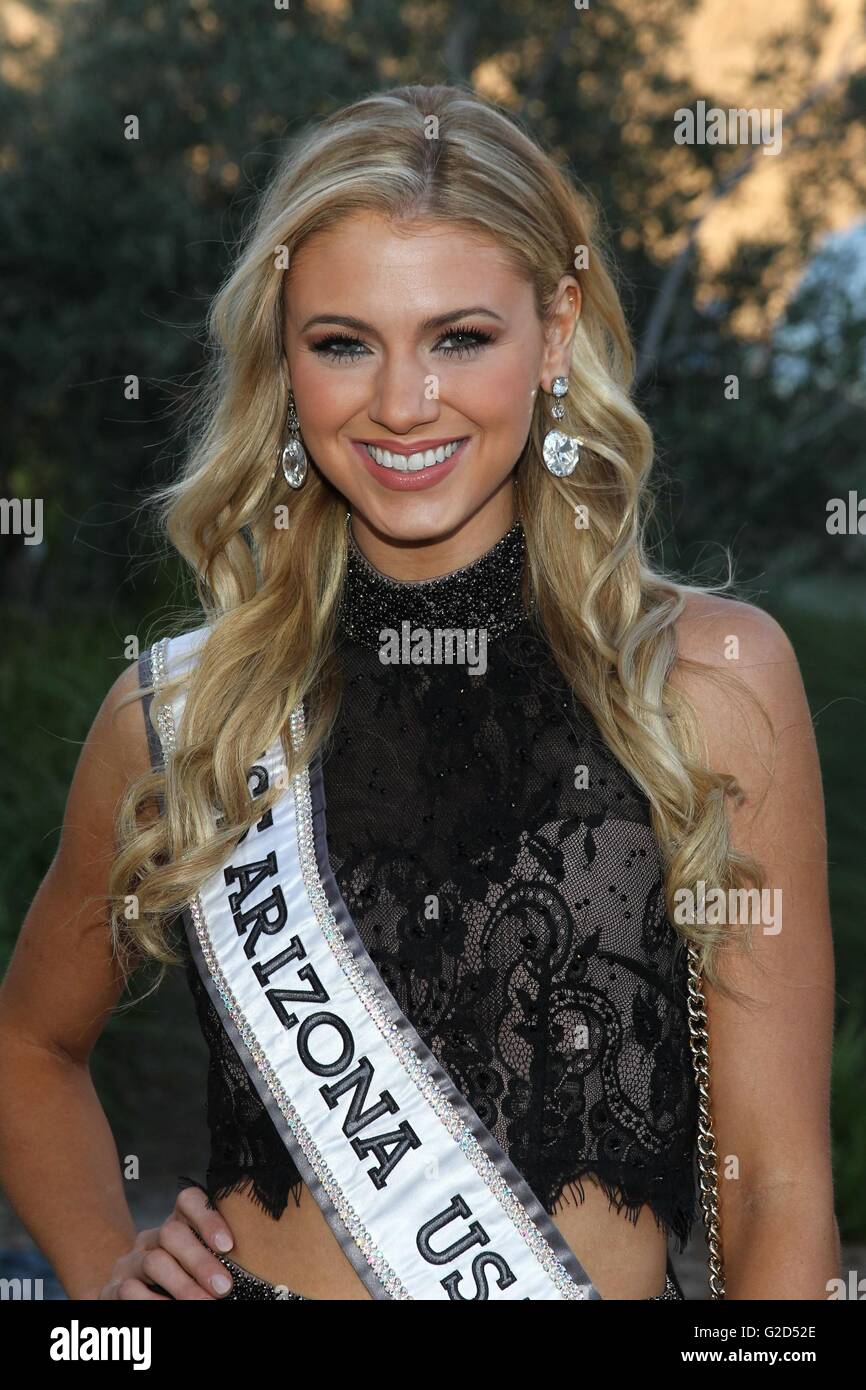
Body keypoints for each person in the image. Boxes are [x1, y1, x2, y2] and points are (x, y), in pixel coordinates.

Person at [0, 84, 839, 1302]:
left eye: (459, 338)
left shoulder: (709, 680)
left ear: (554, 334)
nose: (401, 403)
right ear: (283, 359)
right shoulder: (186, 714)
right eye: (341, 342)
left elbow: (774, 1189)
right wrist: (103, 1278)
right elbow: (27, 1046)